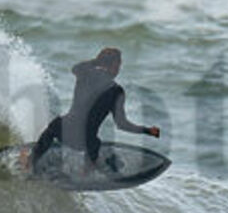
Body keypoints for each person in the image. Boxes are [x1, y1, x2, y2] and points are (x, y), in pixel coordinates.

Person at [31, 48, 160, 169]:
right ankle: (86, 172)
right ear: (114, 65)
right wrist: (147, 130)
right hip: (85, 141)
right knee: (96, 147)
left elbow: (75, 68)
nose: (119, 69)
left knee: (53, 127)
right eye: (119, 65)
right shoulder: (116, 91)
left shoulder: (84, 73)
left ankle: (30, 161)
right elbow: (122, 124)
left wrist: (96, 61)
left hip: (62, 130)